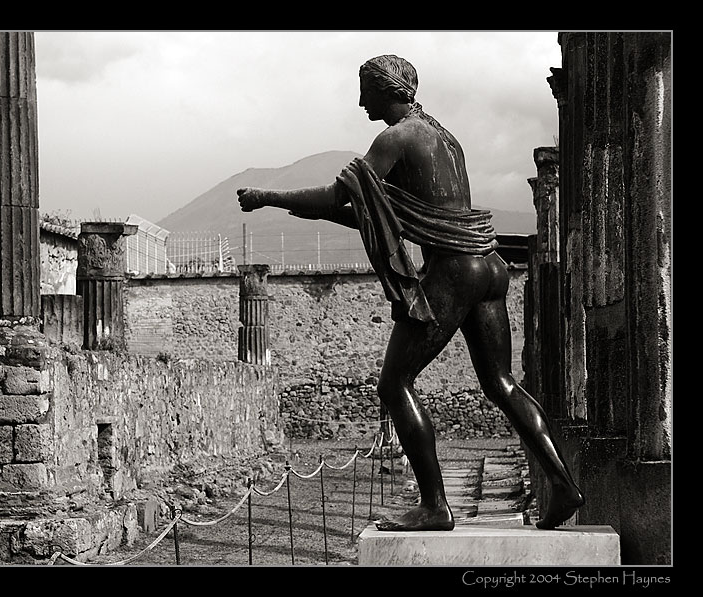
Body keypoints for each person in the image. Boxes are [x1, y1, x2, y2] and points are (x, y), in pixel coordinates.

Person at [236, 54, 583, 531]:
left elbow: (337, 198)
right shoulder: (443, 136)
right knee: (502, 383)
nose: (361, 102)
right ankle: (563, 484)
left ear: (385, 89)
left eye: (365, 91)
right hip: (488, 264)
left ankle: (435, 505)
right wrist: (318, 209)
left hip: (454, 270)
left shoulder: (396, 138)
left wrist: (268, 198)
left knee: (394, 384)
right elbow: (382, 215)